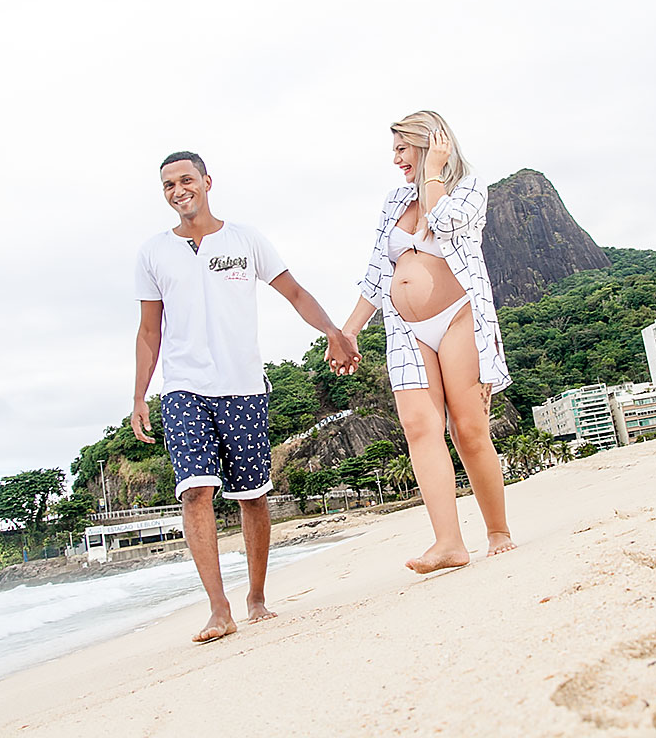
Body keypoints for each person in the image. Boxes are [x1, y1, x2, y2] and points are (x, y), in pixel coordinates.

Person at [132, 151, 357, 643]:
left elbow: (294, 292)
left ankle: (256, 596)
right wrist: (139, 395)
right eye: (168, 184)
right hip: (183, 389)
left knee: (252, 497)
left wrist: (333, 331)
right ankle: (219, 608)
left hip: (244, 387)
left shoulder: (245, 239)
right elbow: (150, 331)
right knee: (194, 490)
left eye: (185, 180)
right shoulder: (153, 253)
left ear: (207, 182)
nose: (177, 190)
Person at [331, 111, 516, 573]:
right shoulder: (394, 200)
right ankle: (449, 541)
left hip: (458, 317)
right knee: (418, 427)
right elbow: (377, 272)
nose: (396, 160)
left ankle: (498, 531)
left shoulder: (470, 188)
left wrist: (434, 172)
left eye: (401, 149)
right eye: (393, 151)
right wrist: (348, 331)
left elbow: (447, 223)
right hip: (404, 328)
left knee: (468, 431)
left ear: (430, 143)